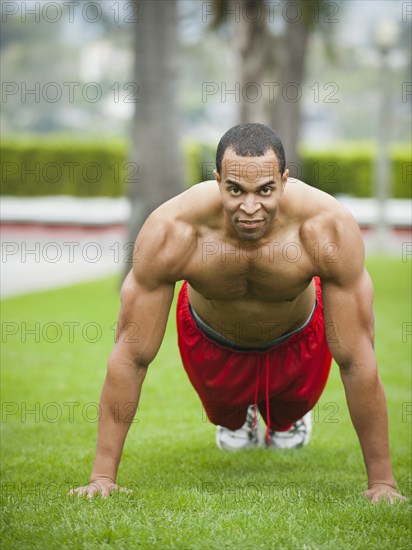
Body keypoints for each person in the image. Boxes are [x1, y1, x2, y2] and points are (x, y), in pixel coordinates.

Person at [70, 123, 406, 503]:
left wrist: (382, 483)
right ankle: (239, 416)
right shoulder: (174, 229)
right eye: (235, 190)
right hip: (210, 340)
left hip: (298, 337)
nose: (249, 208)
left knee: (288, 411)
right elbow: (131, 356)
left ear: (284, 180)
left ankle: (284, 417)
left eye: (265, 190)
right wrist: (102, 477)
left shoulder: (325, 226)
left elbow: (357, 359)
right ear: (217, 181)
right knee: (225, 417)